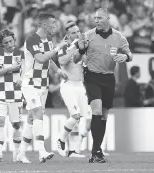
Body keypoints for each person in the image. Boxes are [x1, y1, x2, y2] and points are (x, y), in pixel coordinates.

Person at [78, 8, 132, 163]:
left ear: (108, 18)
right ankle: (96, 151)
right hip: (92, 76)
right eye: (95, 18)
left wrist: (125, 56)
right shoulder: (88, 35)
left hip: (108, 77)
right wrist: (81, 49)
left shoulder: (118, 37)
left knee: (104, 115)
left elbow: (130, 54)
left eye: (100, 18)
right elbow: (77, 56)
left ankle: (96, 150)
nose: (97, 21)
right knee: (96, 110)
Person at [17, 13, 68, 163]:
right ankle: (41, 151)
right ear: (44, 25)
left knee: (32, 118)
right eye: (53, 23)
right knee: (38, 113)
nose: (55, 26)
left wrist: (58, 70)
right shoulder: (32, 38)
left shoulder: (49, 39)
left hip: (43, 84)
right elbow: (40, 58)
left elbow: (49, 59)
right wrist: (59, 47)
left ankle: (21, 154)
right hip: (30, 83)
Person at [56, 22, 91, 158]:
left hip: (79, 85)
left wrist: (82, 50)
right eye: (73, 33)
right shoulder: (64, 46)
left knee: (86, 119)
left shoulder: (82, 45)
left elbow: (87, 61)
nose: (77, 34)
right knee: (75, 116)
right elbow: (62, 61)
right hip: (68, 85)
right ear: (67, 35)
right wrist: (74, 47)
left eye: (78, 31)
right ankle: (61, 139)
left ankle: (73, 150)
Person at [0, 29, 24, 162]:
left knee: (16, 124)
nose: (9, 44)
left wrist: (23, 78)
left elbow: (26, 70)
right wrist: (9, 68)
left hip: (16, 94)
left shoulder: (21, 53)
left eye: (11, 41)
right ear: (1, 44)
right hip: (0, 94)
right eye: (6, 42)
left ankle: (16, 152)